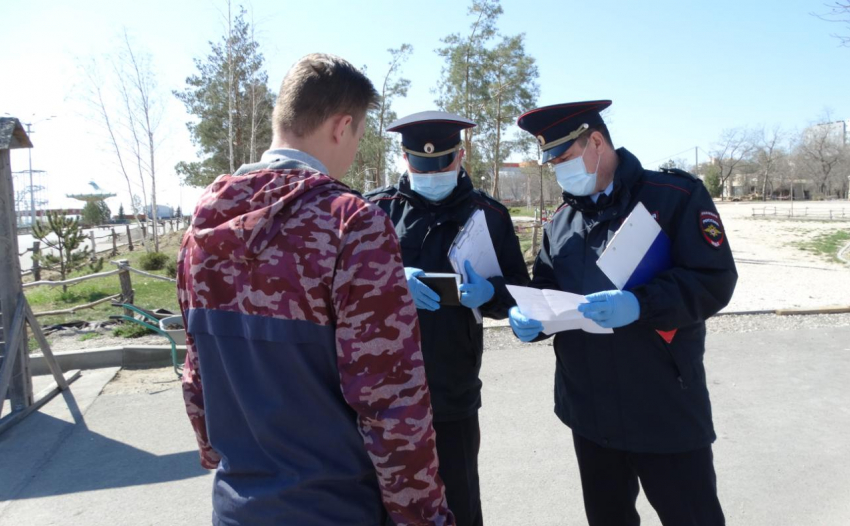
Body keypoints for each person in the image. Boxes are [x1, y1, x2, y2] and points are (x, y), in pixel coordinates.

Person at [178, 54, 454, 526]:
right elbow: (390, 399)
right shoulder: (352, 222)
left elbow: (196, 369)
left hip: (239, 503)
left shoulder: (205, 219)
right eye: (361, 135)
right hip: (335, 506)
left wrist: (217, 453)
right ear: (342, 126)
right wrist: (425, 516)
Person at [510, 100, 737, 526]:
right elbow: (547, 289)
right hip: (590, 412)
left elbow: (714, 279)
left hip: (664, 405)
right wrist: (531, 319)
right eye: (552, 162)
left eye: (564, 158)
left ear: (596, 142)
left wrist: (640, 304)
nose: (558, 170)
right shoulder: (561, 220)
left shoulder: (674, 197)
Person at [365, 111, 530, 526]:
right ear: (405, 159)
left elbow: (517, 289)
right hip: (387, 388)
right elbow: (344, 289)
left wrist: (494, 293)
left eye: (443, 162)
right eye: (422, 164)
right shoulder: (375, 211)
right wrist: (390, 280)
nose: (433, 171)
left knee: (459, 501)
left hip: (454, 387)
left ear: (460, 157)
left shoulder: (488, 214)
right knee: (387, 504)